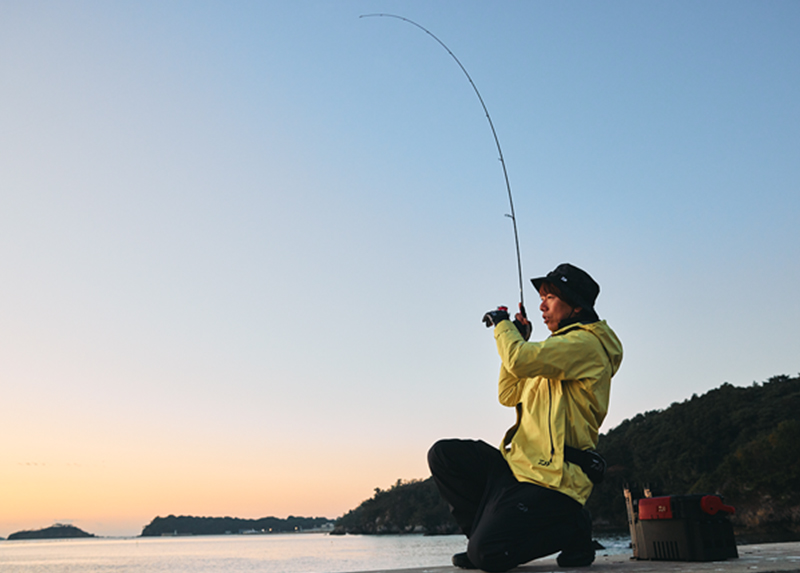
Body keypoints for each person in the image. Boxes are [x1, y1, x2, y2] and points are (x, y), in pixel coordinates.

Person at [427, 263, 623, 572]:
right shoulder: (552, 351)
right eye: (541, 297)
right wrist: (519, 336)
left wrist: (503, 326)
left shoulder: (585, 345)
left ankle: (573, 526)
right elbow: (508, 393)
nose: (542, 305)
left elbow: (518, 359)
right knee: (444, 455)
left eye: (551, 297)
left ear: (576, 306)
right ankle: (481, 538)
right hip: (518, 469)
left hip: (554, 481)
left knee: (488, 556)